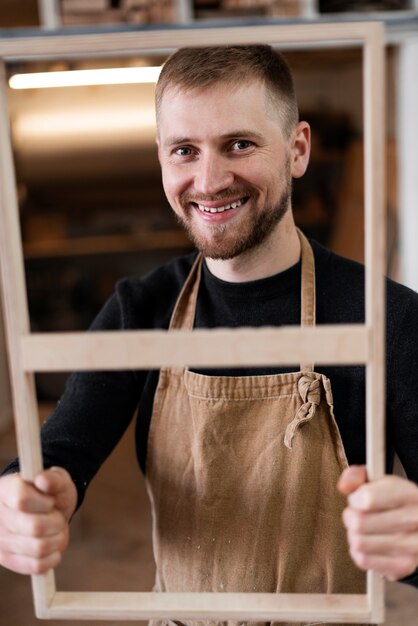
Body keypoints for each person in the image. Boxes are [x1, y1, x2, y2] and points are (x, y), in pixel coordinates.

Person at [1, 45, 418, 621]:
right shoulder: (140, 309)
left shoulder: (386, 318)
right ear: (162, 160)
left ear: (297, 149)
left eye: (239, 144)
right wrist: (26, 500)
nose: (210, 179)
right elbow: (59, 451)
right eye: (185, 151)